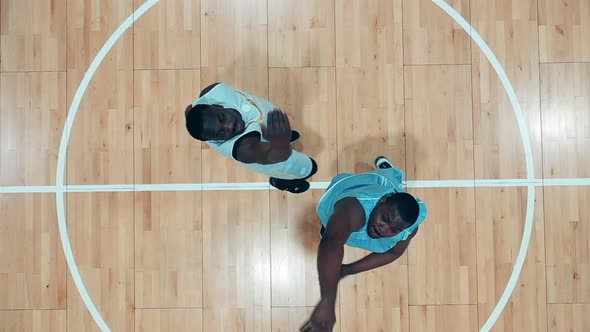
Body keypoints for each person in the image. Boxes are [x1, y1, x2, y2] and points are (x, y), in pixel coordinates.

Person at [300, 156, 427, 332]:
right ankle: (386, 173)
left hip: (387, 199)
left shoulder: (406, 229)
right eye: (385, 219)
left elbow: (393, 253)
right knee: (333, 230)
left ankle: (394, 184)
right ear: (382, 201)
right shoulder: (354, 208)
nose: (384, 230)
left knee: (339, 231)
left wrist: (347, 269)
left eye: (393, 229)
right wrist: (327, 302)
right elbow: (332, 242)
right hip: (354, 192)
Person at [184, 82, 317, 193]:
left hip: (268, 127)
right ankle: (282, 182)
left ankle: (278, 135)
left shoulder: (214, 92)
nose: (230, 126)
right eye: (221, 133)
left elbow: (189, 109)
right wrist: (281, 142)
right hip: (274, 155)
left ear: (217, 105)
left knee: (276, 127)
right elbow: (278, 156)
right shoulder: (244, 149)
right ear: (217, 140)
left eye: (222, 118)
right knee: (311, 168)